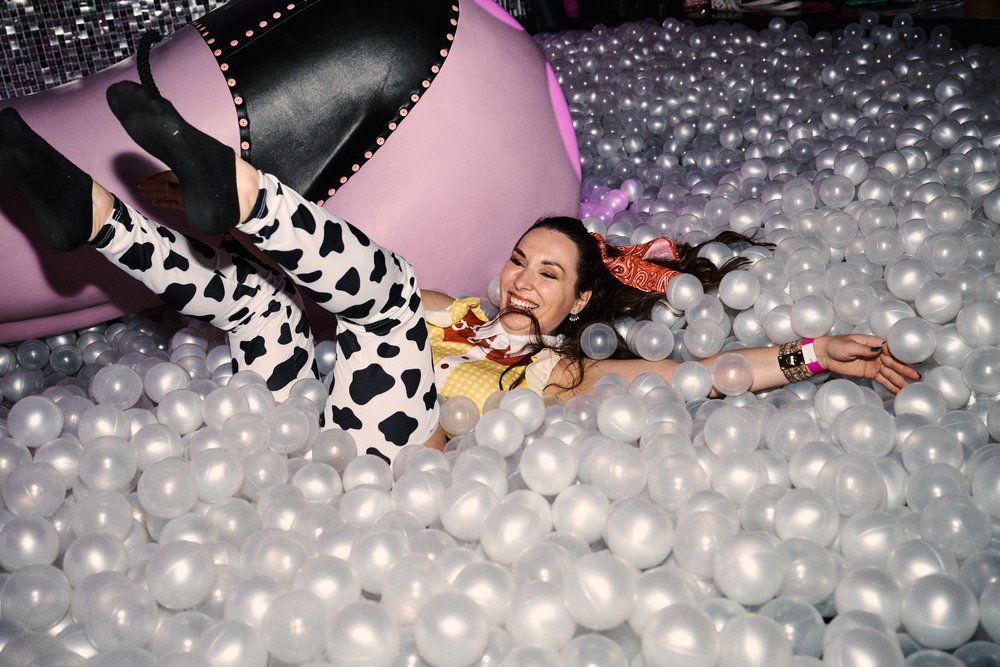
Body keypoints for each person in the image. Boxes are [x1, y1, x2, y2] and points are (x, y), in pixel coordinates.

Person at [0, 83, 918, 462]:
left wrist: (813, 354)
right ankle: (91, 217)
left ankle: (243, 195)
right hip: (295, 435)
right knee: (254, 302)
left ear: (579, 300)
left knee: (387, 297)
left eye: (548, 273)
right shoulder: (449, 308)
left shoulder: (564, 373)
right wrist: (235, 243)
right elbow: (323, 288)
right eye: (519, 259)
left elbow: (704, 373)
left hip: (396, 470)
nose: (522, 279)